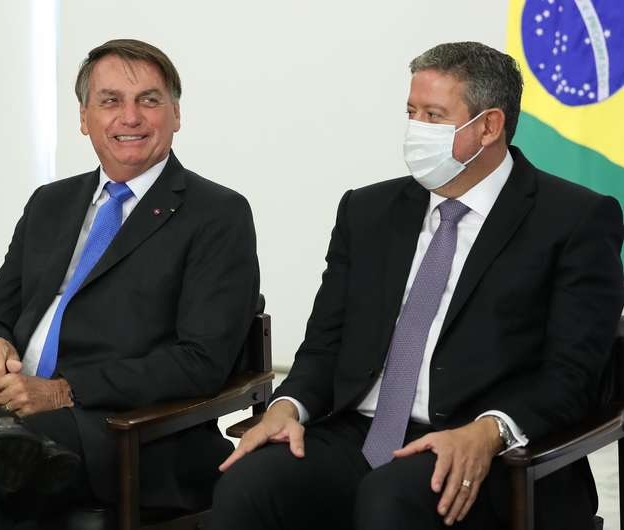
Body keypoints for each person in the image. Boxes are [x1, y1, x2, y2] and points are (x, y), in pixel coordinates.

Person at [0, 38, 259, 529]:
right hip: (10, 400)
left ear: (176, 114)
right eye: (110, 101)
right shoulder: (50, 203)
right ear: (84, 118)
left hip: (115, 428)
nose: (130, 117)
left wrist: (62, 391)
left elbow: (200, 362)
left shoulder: (216, 213)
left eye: (148, 100)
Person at [211, 41, 624, 530]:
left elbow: (572, 375)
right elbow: (325, 344)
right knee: (248, 484)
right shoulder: (366, 211)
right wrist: (287, 405)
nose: (416, 129)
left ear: (489, 126)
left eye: (434, 115)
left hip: (488, 451)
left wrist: (491, 431)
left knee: (390, 500)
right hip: (359, 433)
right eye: (411, 112)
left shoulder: (573, 220)